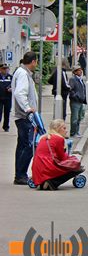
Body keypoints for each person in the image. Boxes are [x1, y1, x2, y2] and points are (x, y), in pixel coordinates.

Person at [31, 119, 84, 190]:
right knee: (73, 168)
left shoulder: (43, 138)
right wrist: (72, 159)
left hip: (37, 167)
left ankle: (44, 182)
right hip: (47, 166)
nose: (66, 131)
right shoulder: (59, 139)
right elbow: (62, 157)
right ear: (58, 129)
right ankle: (52, 182)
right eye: (64, 128)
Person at [11, 52, 38, 185]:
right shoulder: (23, 74)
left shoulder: (22, 72)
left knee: (22, 145)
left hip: (22, 116)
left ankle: (20, 174)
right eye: (36, 62)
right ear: (33, 61)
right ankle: (21, 175)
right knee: (28, 145)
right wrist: (27, 108)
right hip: (24, 116)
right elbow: (19, 93)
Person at [69, 65, 87, 138]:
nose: (81, 71)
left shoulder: (80, 79)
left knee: (79, 117)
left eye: (81, 70)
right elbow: (71, 90)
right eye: (79, 70)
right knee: (75, 118)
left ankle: (77, 131)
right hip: (75, 101)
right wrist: (76, 96)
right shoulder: (73, 79)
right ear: (75, 72)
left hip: (81, 101)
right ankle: (73, 132)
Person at [0, 63, 12, 132]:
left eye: (6, 68)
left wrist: (11, 89)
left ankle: (6, 126)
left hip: (8, 98)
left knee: (7, 113)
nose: (5, 70)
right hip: (0, 98)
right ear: (0, 69)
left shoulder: (11, 77)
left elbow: (14, 85)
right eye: (4, 69)